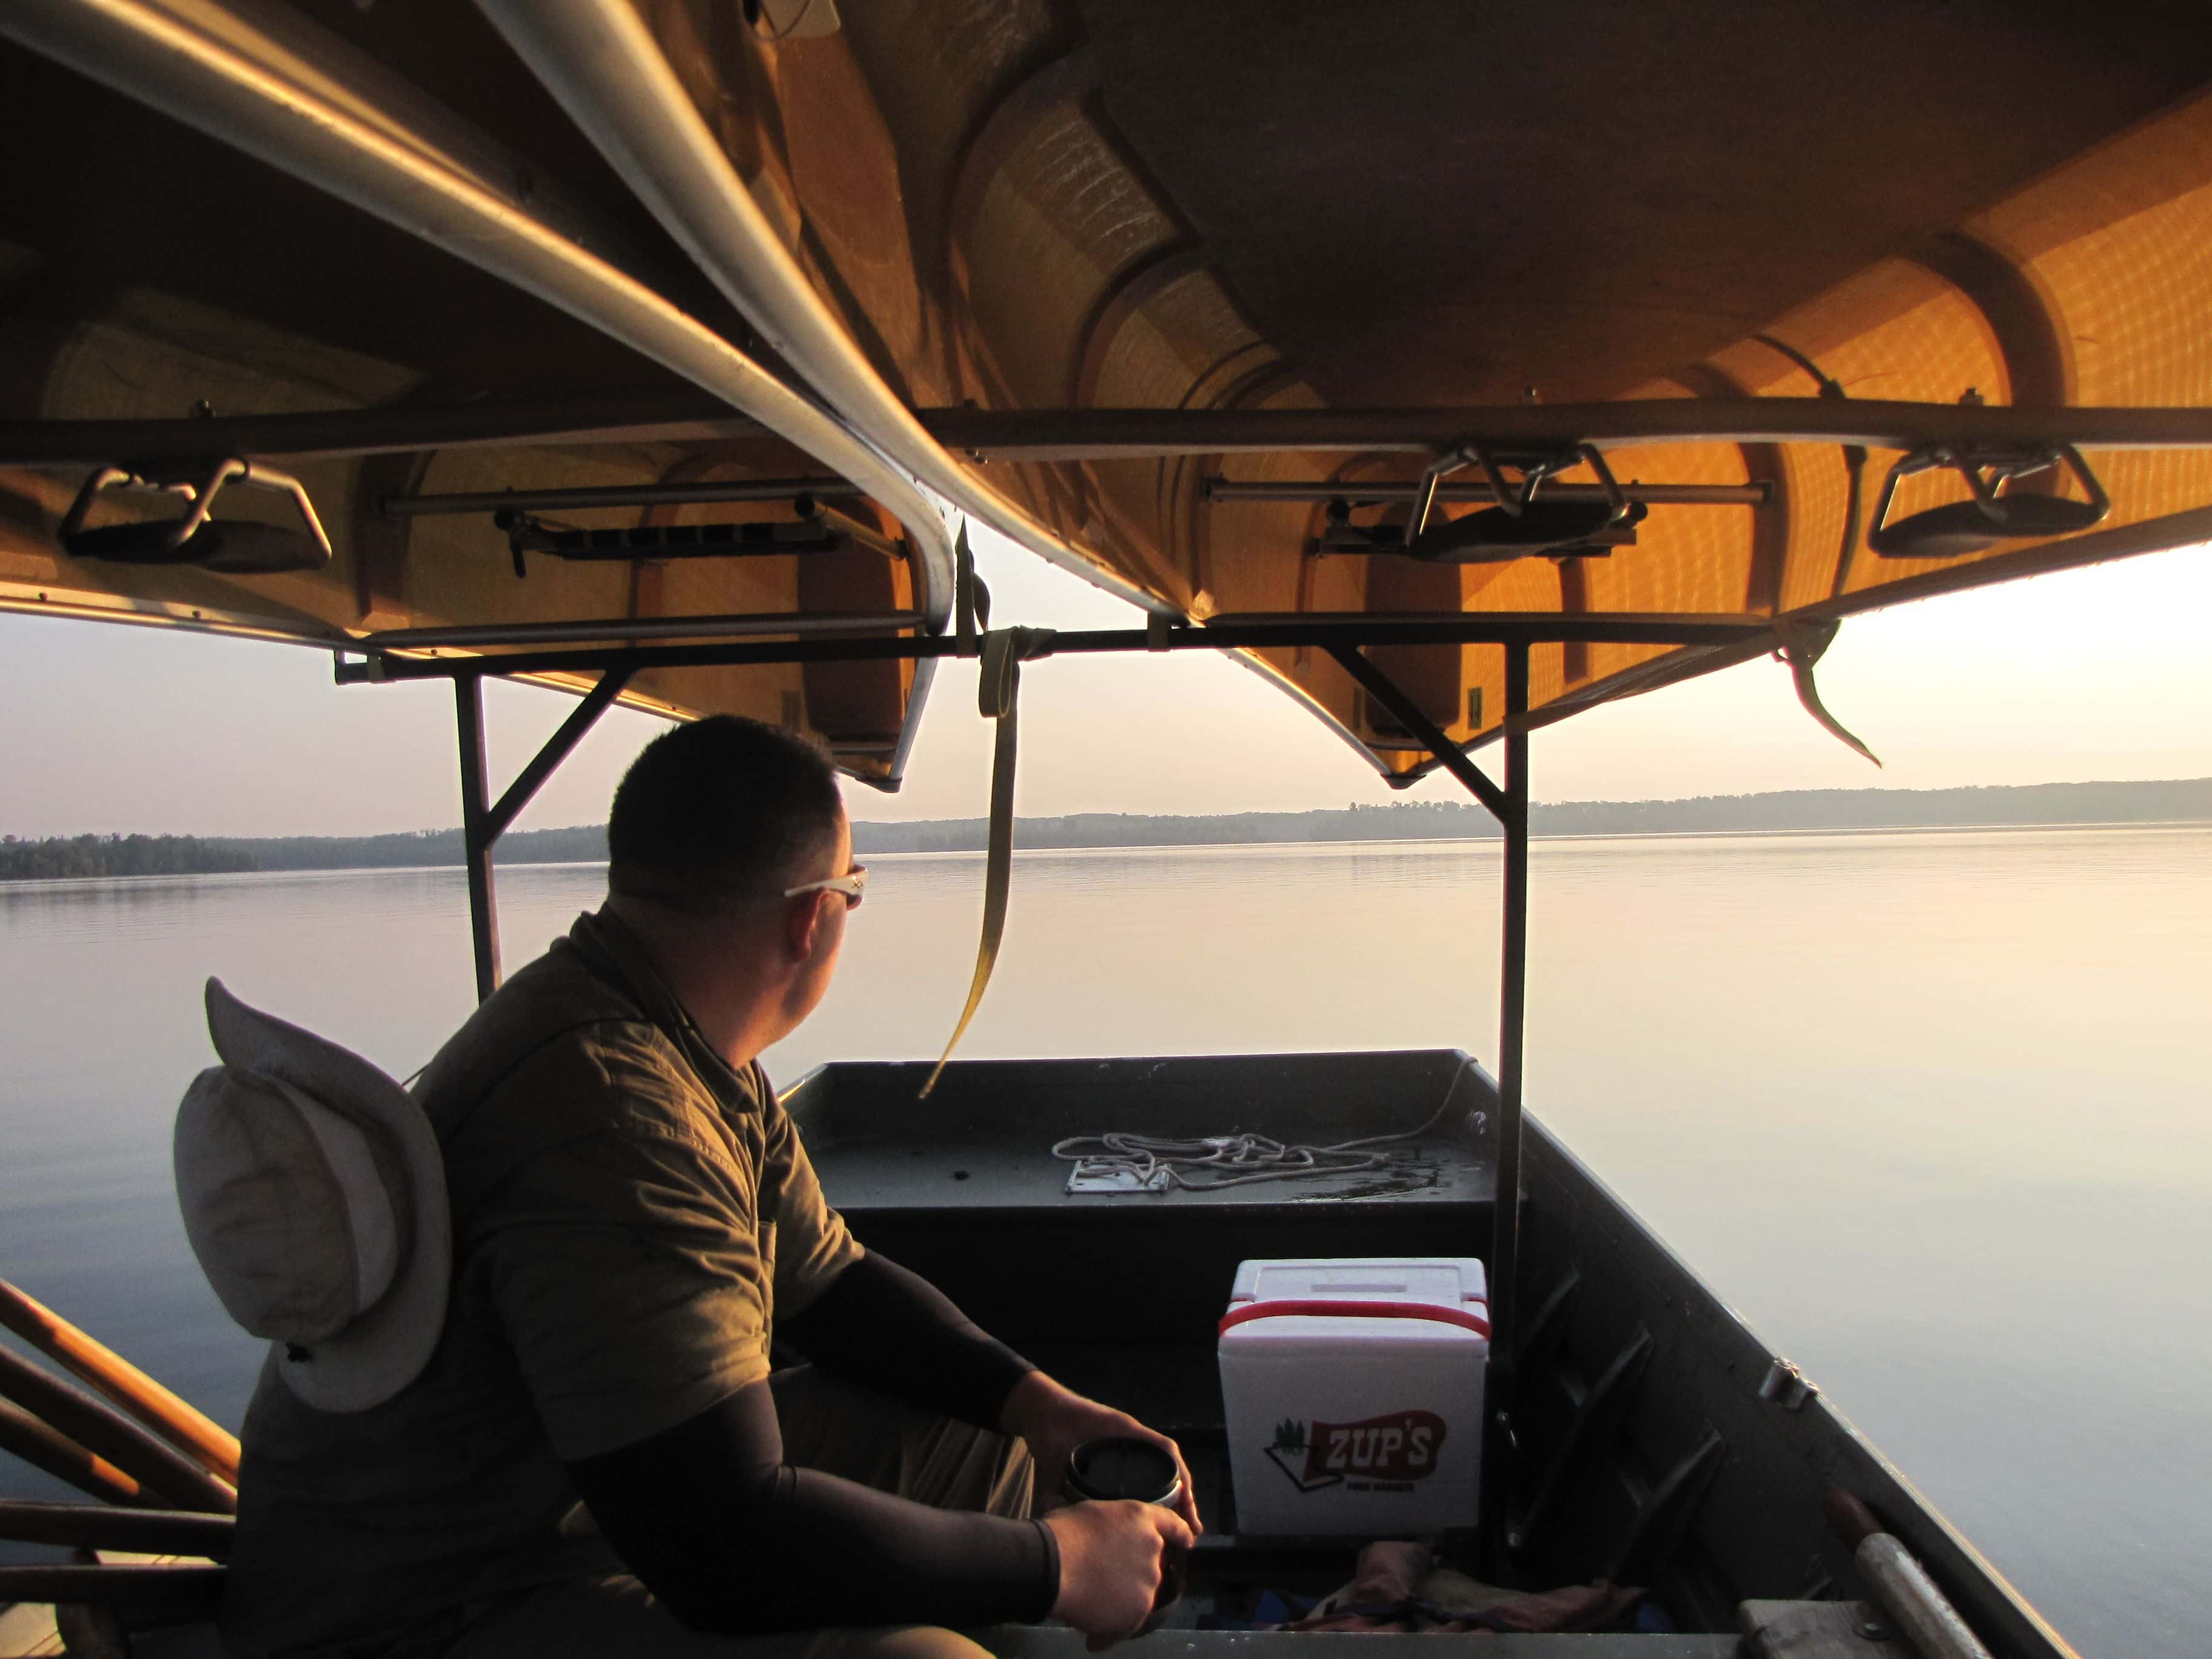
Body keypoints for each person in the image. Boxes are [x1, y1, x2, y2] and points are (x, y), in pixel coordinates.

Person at [221, 715, 1196, 1659]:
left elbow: (835, 1287)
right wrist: (1051, 1564)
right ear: (812, 916)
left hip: (574, 1506)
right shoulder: (616, 1112)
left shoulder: (663, 1032)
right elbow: (723, 1542)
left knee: (1000, 1453)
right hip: (433, 1610)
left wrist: (1038, 1404)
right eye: (853, 890)